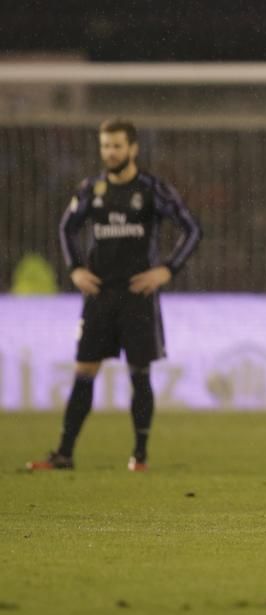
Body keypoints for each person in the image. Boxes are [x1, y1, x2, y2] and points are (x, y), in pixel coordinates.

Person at [27, 118, 202, 472]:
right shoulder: (92, 189)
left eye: (117, 146)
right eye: (105, 146)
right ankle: (64, 453)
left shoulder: (152, 189)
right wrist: (75, 267)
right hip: (100, 295)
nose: (110, 152)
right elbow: (66, 228)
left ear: (133, 148)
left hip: (138, 295)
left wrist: (167, 269)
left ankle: (139, 456)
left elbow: (192, 228)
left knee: (139, 373)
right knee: (83, 370)